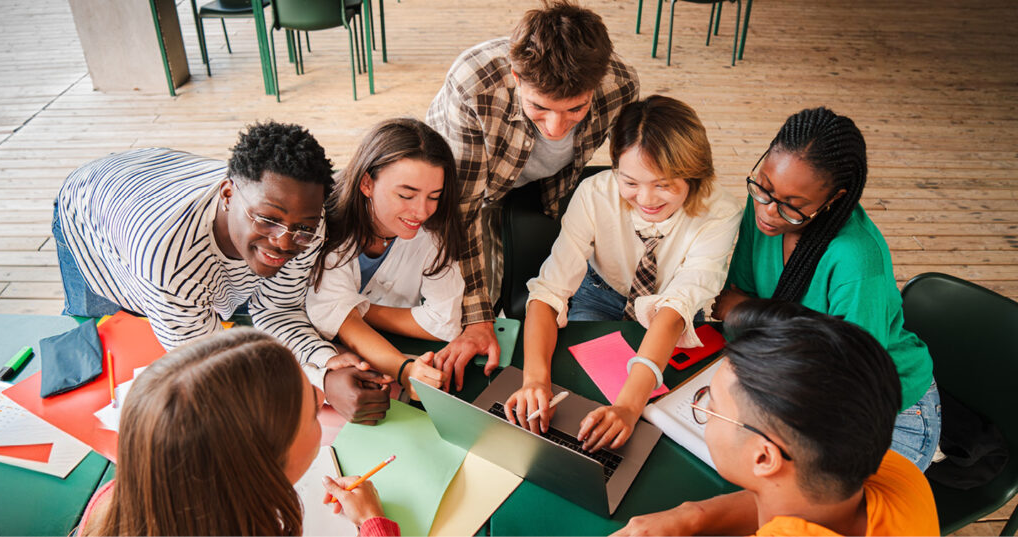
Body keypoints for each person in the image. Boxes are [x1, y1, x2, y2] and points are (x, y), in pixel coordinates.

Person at [53, 122, 391, 424]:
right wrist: (320, 383)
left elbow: (278, 310)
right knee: (94, 356)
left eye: (301, 228)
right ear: (228, 195)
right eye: (268, 219)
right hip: (91, 215)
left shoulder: (306, 227)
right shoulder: (166, 258)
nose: (284, 243)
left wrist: (327, 363)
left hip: (158, 180)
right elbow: (212, 361)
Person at [505, 96, 741, 451]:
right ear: (615, 168)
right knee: (576, 394)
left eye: (663, 184)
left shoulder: (720, 211)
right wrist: (535, 380)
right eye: (629, 181)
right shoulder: (593, 194)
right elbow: (550, 290)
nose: (645, 198)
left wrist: (630, 406)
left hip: (673, 314)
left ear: (694, 173)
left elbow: (676, 307)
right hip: (598, 295)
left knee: (662, 411)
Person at [710, 107, 940, 470]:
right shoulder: (764, 213)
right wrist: (759, 319)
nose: (769, 211)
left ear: (833, 199)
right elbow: (732, 302)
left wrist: (749, 314)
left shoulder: (857, 259)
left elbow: (849, 377)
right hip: (794, 382)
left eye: (792, 206)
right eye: (764, 187)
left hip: (884, 412)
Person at [426, 0, 640, 388]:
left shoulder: (622, 84)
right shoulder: (473, 84)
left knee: (544, 288)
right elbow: (462, 211)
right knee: (469, 305)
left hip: (552, 185)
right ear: (516, 77)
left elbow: (626, 174)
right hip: (474, 187)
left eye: (575, 109)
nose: (557, 127)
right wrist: (477, 319)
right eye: (539, 107)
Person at [614, 299, 939, 536]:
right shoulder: (900, 477)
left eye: (710, 407)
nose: (704, 411)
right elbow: (795, 502)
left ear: (764, 456)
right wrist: (693, 516)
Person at [78, 328, 400, 536]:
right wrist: (373, 523)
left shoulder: (119, 498)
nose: (321, 397)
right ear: (260, 470)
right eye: (312, 416)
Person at [307, 118, 467, 398]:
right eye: (406, 195)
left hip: (373, 353)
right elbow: (338, 318)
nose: (421, 212)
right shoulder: (325, 223)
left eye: (434, 196)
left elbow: (444, 322)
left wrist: (358, 310)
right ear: (367, 183)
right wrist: (403, 369)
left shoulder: (433, 234)